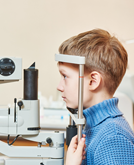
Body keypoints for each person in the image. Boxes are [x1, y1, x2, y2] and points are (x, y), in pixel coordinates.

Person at [56, 28, 134, 164]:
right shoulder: (93, 128)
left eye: (65, 76)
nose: (59, 86)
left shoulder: (113, 138)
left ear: (93, 81)